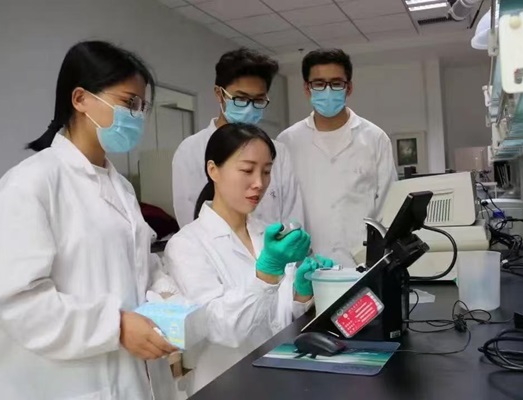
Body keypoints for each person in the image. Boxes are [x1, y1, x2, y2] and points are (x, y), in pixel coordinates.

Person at [0, 41, 180, 400]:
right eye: (129, 103)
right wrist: (115, 326)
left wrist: (167, 296)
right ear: (80, 99)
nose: (137, 116)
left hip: (136, 376)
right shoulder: (31, 183)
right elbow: (17, 302)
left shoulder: (121, 187)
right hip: (70, 383)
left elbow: (141, 263)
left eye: (142, 107)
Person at [164, 123, 334, 394]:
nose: (260, 183)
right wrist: (266, 274)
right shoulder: (186, 246)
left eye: (266, 171)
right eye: (247, 170)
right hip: (225, 386)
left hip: (279, 380)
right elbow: (221, 327)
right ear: (213, 170)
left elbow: (278, 322)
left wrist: (301, 295)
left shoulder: (266, 234)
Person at [278, 49, 397, 269]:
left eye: (336, 83)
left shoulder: (375, 138)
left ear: (348, 87)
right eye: (319, 84)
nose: (327, 90)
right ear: (307, 88)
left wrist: (377, 259)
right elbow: (280, 207)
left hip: (362, 266)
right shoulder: (287, 142)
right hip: (304, 267)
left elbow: (388, 207)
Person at [172, 48, 304, 228]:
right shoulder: (191, 150)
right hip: (215, 246)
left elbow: (292, 215)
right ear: (219, 94)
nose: (250, 108)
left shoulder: (278, 152)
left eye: (258, 100)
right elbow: (190, 219)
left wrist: (284, 244)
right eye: (241, 99)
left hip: (274, 245)